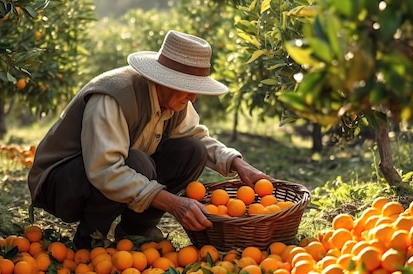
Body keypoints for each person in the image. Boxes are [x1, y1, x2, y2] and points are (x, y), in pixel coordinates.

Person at [27, 30, 273, 249]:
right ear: (164, 80)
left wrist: (238, 163)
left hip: (110, 174)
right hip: (59, 184)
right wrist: (174, 204)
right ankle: (91, 237)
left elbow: (197, 137)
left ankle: (135, 231)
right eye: (188, 87)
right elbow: (105, 169)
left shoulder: (175, 101)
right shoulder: (113, 96)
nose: (194, 98)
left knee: (192, 150)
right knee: (137, 163)